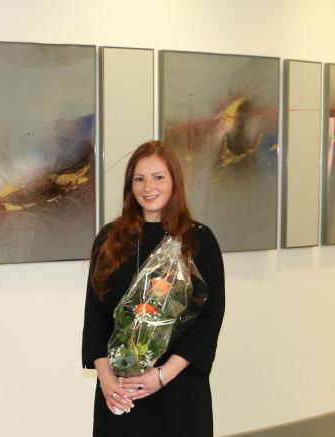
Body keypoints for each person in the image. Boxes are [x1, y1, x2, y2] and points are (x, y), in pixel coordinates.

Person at [81, 140, 225, 437]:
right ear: (130, 185)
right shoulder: (109, 239)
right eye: (139, 179)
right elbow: (95, 316)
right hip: (122, 391)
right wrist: (107, 381)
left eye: (158, 177)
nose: (148, 187)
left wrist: (162, 375)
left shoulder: (198, 240)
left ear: (174, 181)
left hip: (179, 388)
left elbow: (209, 319)